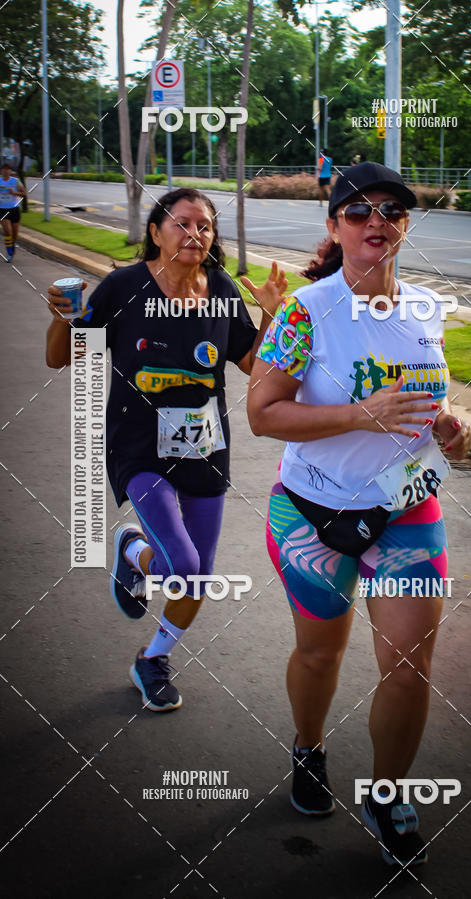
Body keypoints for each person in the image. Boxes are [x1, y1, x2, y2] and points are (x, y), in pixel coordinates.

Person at [247, 162, 471, 867]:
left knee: (409, 663)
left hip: (407, 510)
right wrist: (358, 414)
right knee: (321, 652)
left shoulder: (429, 308)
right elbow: (261, 412)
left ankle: (388, 792)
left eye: (392, 210)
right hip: (313, 512)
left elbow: (429, 400)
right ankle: (308, 746)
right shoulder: (302, 313)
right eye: (358, 210)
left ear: (405, 226)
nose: (377, 220)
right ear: (334, 226)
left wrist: (448, 427)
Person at [46, 188, 287, 712]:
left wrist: (269, 315)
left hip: (204, 448)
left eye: (205, 226)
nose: (195, 233)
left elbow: (253, 365)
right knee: (183, 564)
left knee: (198, 575)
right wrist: (63, 316)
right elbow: (59, 358)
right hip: (139, 448)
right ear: (156, 232)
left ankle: (151, 657)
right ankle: (137, 551)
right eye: (182, 223)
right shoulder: (124, 287)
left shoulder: (222, 289)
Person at [0, 162, 26, 262]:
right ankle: (9, 253)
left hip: (14, 209)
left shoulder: (15, 181)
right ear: (1, 171)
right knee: (8, 232)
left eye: (8, 169)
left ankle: (12, 245)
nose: (6, 171)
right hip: (2, 210)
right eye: (4, 169)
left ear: (10, 171)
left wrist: (14, 192)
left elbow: (24, 193)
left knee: (14, 235)